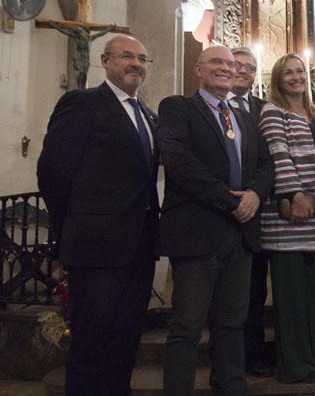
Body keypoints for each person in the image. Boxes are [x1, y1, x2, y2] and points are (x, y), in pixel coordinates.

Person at [37, 35, 159, 394]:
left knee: (125, 342)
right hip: (95, 248)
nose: (135, 63)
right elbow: (54, 174)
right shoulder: (83, 104)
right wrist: (73, 226)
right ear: (105, 61)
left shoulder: (147, 115)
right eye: (126, 56)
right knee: (91, 344)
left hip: (139, 248)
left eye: (141, 58)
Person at [157, 45, 274, 395]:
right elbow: (181, 164)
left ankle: (230, 388)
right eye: (217, 62)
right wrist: (230, 202)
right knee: (188, 326)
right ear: (198, 70)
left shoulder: (245, 117)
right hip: (197, 232)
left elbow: (267, 165)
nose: (227, 68)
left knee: (232, 324)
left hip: (240, 236)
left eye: (232, 64)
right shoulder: (178, 108)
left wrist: (254, 194)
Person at [258, 54, 315, 384]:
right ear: (278, 79)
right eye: (288, 73)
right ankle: (294, 366)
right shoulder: (274, 112)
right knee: (290, 299)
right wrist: (296, 194)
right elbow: (278, 152)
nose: (295, 77)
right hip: (289, 219)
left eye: (300, 71)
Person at [228, 46, 272, 378]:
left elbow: (268, 161)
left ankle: (252, 354)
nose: (243, 71)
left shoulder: (263, 109)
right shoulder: (200, 106)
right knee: (223, 295)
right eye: (237, 65)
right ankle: (225, 361)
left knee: (255, 290)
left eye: (250, 67)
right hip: (217, 212)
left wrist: (256, 192)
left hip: (256, 213)